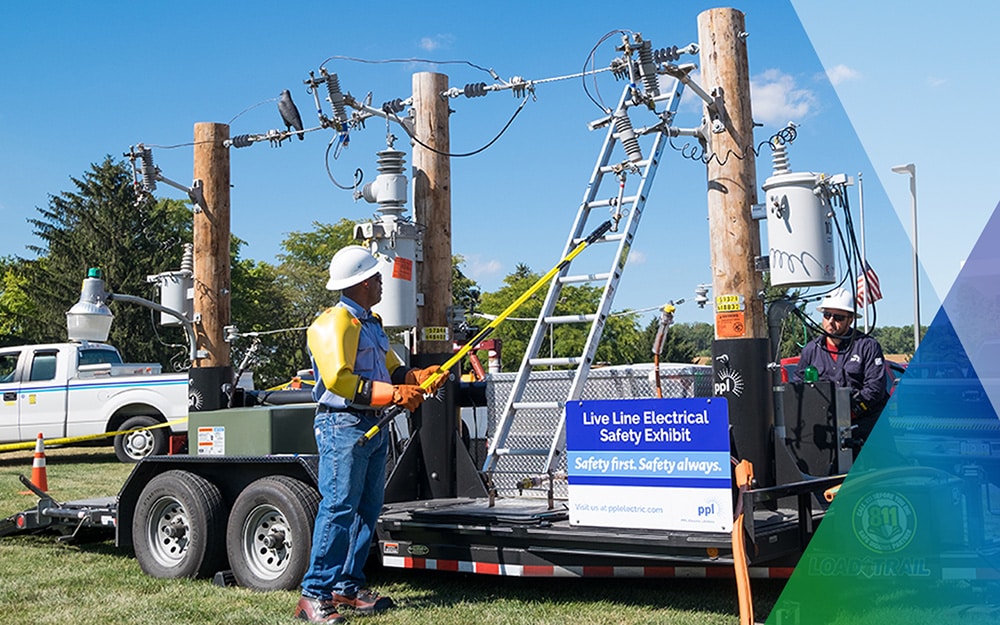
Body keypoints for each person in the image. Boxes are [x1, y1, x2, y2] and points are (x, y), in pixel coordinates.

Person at [295, 245, 445, 624]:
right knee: (339, 507)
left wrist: (416, 378)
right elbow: (339, 380)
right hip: (342, 426)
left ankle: (347, 587)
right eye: (376, 277)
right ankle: (314, 594)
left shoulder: (372, 324)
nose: (381, 282)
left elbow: (391, 369)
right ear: (361, 283)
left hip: (373, 425)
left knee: (366, 508)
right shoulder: (334, 323)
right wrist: (396, 394)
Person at [794, 288, 889, 454]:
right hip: (828, 432)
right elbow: (798, 386)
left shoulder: (867, 346)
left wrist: (848, 412)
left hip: (866, 431)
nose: (831, 321)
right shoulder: (811, 350)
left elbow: (875, 388)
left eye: (838, 317)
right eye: (827, 315)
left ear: (850, 319)